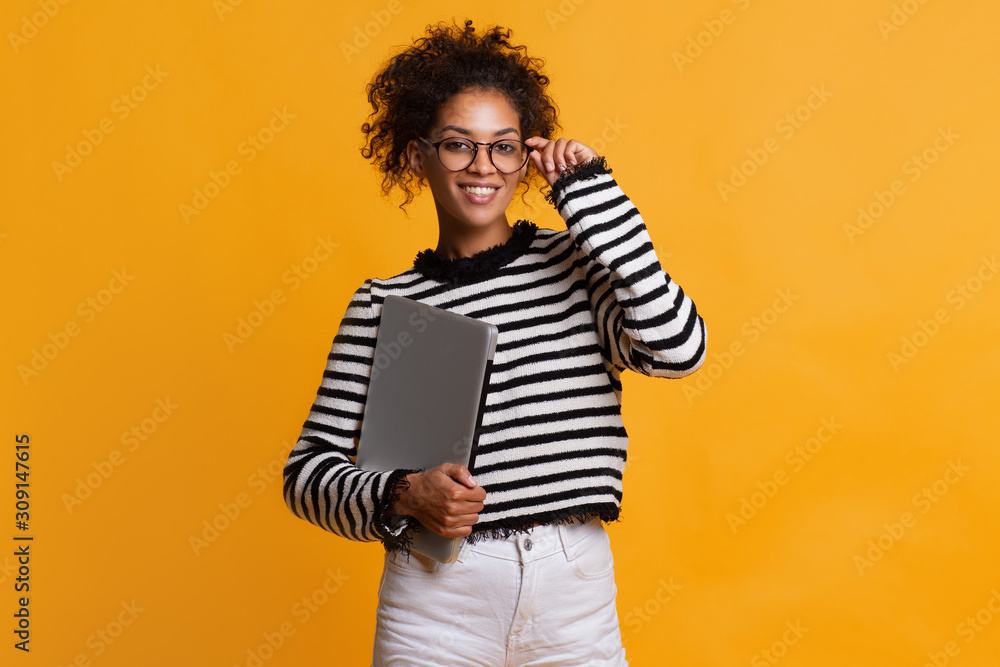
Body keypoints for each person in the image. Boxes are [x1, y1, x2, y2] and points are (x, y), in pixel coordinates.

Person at [282, 19, 707, 666]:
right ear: (416, 154)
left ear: (525, 157)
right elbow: (307, 475)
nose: (483, 166)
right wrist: (400, 493)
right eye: (458, 145)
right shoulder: (383, 305)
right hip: (436, 599)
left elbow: (679, 349)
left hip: (574, 591)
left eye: (504, 147)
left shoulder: (579, 265)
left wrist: (598, 201)